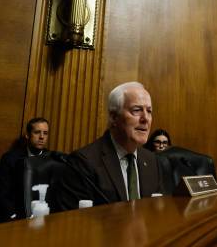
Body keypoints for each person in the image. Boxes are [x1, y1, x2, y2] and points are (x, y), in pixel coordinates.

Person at [53, 82, 162, 210]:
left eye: (149, 111)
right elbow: (77, 223)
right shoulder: (83, 163)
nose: (146, 118)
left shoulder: (152, 161)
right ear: (113, 117)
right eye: (137, 110)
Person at [0, 117, 50, 221]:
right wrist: (13, 216)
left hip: (45, 216)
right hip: (17, 217)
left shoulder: (52, 159)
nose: (42, 137)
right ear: (27, 135)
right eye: (37, 132)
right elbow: (2, 192)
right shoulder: (10, 159)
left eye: (45, 133)